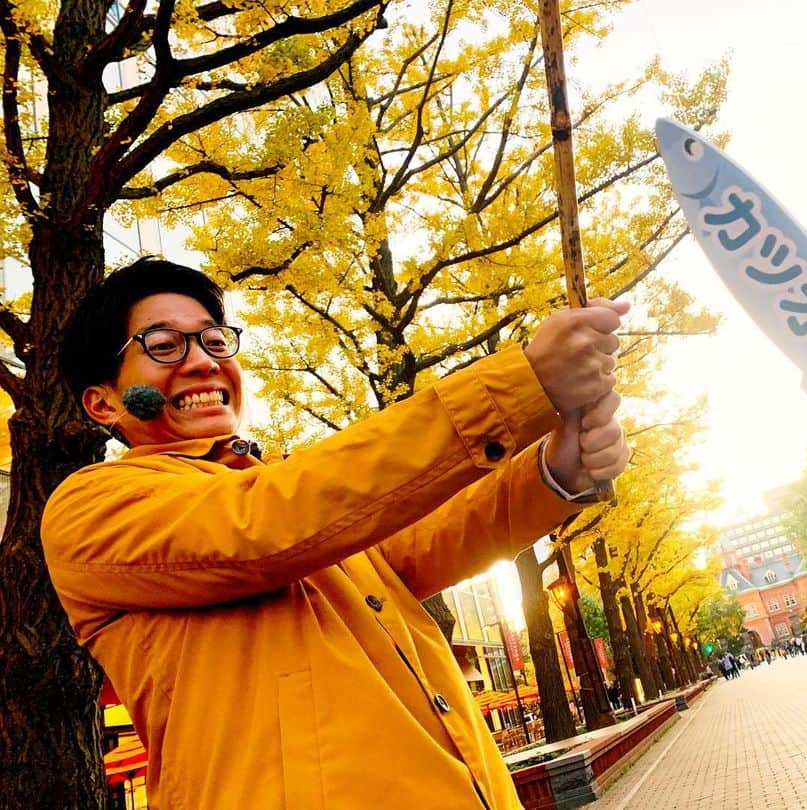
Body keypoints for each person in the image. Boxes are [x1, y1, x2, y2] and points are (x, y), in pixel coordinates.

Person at [41, 258, 631, 810]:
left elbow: (419, 542)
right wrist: (520, 386)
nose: (203, 361)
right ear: (103, 403)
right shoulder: (91, 508)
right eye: (164, 346)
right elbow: (261, 526)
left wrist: (554, 472)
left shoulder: (303, 505)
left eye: (215, 340)